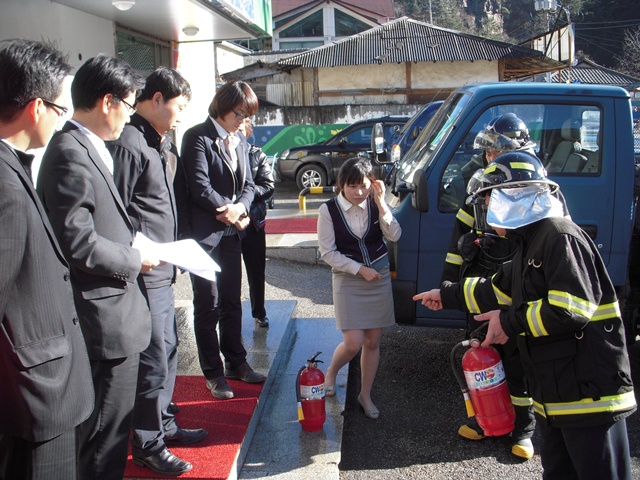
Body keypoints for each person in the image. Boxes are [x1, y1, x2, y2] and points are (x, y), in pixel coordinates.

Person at [414, 150, 636, 479]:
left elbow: (569, 309)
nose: (485, 208)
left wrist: (507, 322)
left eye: (489, 199)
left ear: (514, 197)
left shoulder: (559, 237)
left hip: (590, 399)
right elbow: (496, 289)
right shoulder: (530, 244)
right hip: (558, 398)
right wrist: (444, 295)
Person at [37, 55, 159, 480]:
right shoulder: (70, 152)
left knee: (109, 436)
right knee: (103, 442)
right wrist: (134, 258)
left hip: (114, 314)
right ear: (108, 102)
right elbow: (78, 241)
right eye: (128, 105)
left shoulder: (89, 147)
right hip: (101, 320)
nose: (130, 117)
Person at [0, 38, 94, 480]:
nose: (61, 122)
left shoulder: (13, 165)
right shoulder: (4, 182)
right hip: (34, 389)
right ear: (37, 107)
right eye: (60, 110)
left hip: (38, 382)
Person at [107, 67, 207, 475]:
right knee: (152, 356)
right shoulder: (130, 143)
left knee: (167, 349)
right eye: (179, 107)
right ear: (157, 99)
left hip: (165, 266)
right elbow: (117, 211)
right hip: (145, 270)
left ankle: (164, 425)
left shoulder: (159, 142)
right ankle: (147, 442)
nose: (181, 116)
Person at [441, 113, 538, 459]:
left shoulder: (535, 190)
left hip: (517, 292)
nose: (491, 158)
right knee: (480, 357)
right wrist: (449, 283)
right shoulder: (477, 191)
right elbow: (457, 244)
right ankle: (485, 421)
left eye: (498, 151)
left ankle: (524, 430)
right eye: (488, 152)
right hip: (480, 292)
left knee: (518, 364)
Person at [179, 80, 265, 400]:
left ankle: (236, 362)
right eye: (238, 114)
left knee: (231, 301)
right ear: (222, 107)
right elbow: (199, 186)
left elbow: (250, 185)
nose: (242, 122)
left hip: (231, 235)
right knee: (208, 304)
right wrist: (229, 210)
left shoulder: (239, 139)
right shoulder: (197, 137)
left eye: (246, 116)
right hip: (205, 237)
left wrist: (240, 208)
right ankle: (213, 372)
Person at [318, 157, 402, 420]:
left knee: (373, 341)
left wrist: (381, 203)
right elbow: (328, 253)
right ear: (341, 184)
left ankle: (365, 395)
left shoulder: (375, 202)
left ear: (372, 183)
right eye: (352, 186)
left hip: (378, 275)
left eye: (364, 185)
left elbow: (395, 235)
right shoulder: (328, 210)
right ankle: (331, 372)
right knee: (353, 343)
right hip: (348, 276)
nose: (358, 192)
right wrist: (359, 269)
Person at [237, 119, 275, 328]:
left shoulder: (256, 154)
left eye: (242, 128)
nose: (237, 131)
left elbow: (268, 186)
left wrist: (246, 197)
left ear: (249, 131)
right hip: (228, 222)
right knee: (228, 274)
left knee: (256, 270)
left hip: (252, 221)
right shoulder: (220, 151)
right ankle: (230, 315)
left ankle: (259, 311)